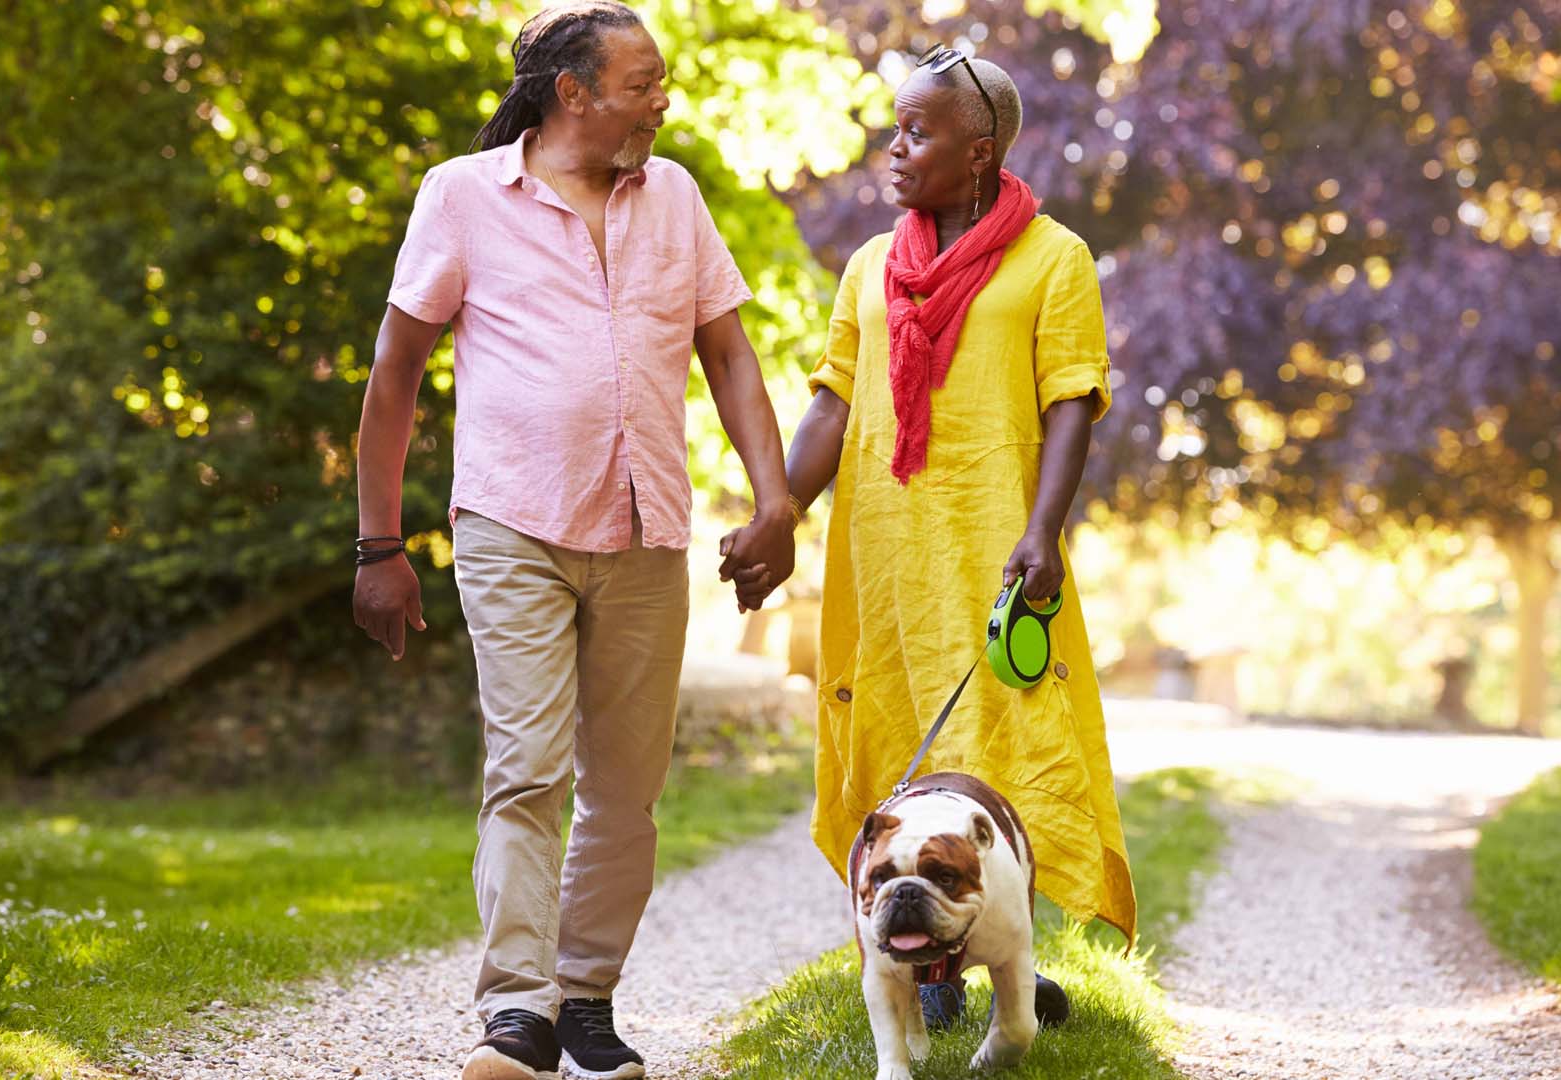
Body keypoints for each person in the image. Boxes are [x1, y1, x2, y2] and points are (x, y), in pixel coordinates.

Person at [351, 4, 794, 1078]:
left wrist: (773, 499)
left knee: (627, 788)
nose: (662, 101)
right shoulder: (464, 195)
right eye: (644, 84)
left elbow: (729, 356)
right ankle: (517, 1010)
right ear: (574, 95)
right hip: (514, 524)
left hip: (647, 531)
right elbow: (396, 370)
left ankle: (585, 997)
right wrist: (378, 545)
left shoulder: (674, 196)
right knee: (529, 769)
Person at [761, 45, 1137, 1027]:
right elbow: (832, 410)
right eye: (895, 127)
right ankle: (923, 962)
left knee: (1003, 750)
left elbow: (1071, 404)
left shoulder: (1054, 260)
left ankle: (997, 951)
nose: (894, 149)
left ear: (978, 152)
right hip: (883, 554)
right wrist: (776, 513)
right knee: (892, 742)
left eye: (917, 132)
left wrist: (1044, 530)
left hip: (996, 547)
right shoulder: (869, 267)